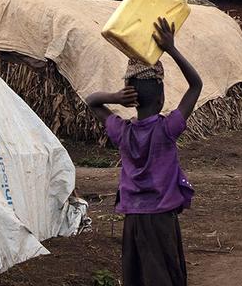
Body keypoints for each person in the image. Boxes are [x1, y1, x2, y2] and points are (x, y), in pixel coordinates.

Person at [85, 18, 203, 286]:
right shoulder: (167, 129)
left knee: (138, 276)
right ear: (161, 99)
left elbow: (91, 101)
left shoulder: (121, 131)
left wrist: (115, 98)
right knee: (165, 275)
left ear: (131, 99)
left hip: (133, 220)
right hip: (161, 218)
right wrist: (171, 48)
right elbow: (196, 86)